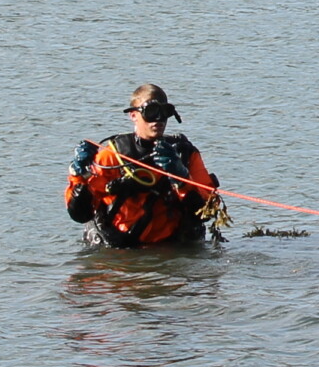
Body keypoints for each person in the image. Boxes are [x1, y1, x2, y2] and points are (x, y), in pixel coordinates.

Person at [66, 83, 223, 248]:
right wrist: (78, 176)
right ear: (133, 115)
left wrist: (182, 179)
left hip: (171, 246)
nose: (158, 120)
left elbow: (209, 211)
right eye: (151, 112)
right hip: (120, 248)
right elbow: (80, 214)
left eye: (164, 113)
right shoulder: (112, 155)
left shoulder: (185, 154)